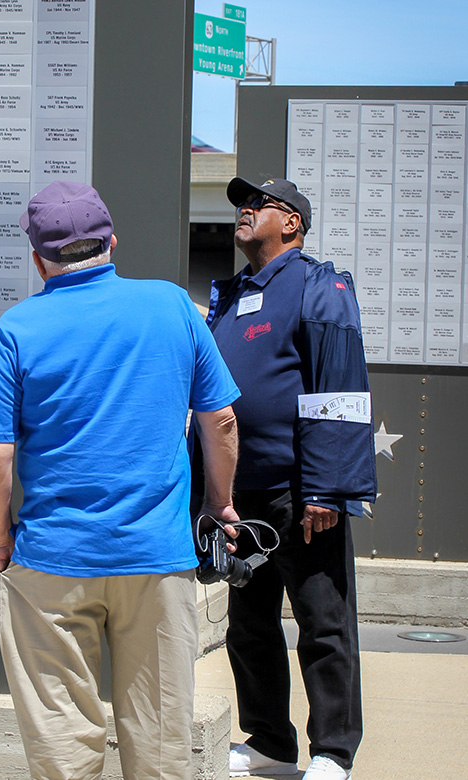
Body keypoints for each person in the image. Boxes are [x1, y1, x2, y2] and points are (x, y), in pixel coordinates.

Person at [0, 180, 241, 780]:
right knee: (160, 743)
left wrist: (1, 540)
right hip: (156, 558)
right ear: (112, 241)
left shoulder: (17, 331)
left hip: (51, 563)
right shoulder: (174, 306)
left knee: (62, 746)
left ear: (36, 259)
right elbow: (223, 421)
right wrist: (219, 504)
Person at [198, 177, 376, 780]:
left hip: (301, 494)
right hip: (239, 499)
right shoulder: (233, 294)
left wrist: (327, 487)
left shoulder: (317, 285)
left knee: (323, 624)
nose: (244, 212)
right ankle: (271, 743)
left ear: (292, 223)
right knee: (249, 627)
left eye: (258, 204)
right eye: (241, 205)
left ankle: (333, 752)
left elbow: (340, 387)